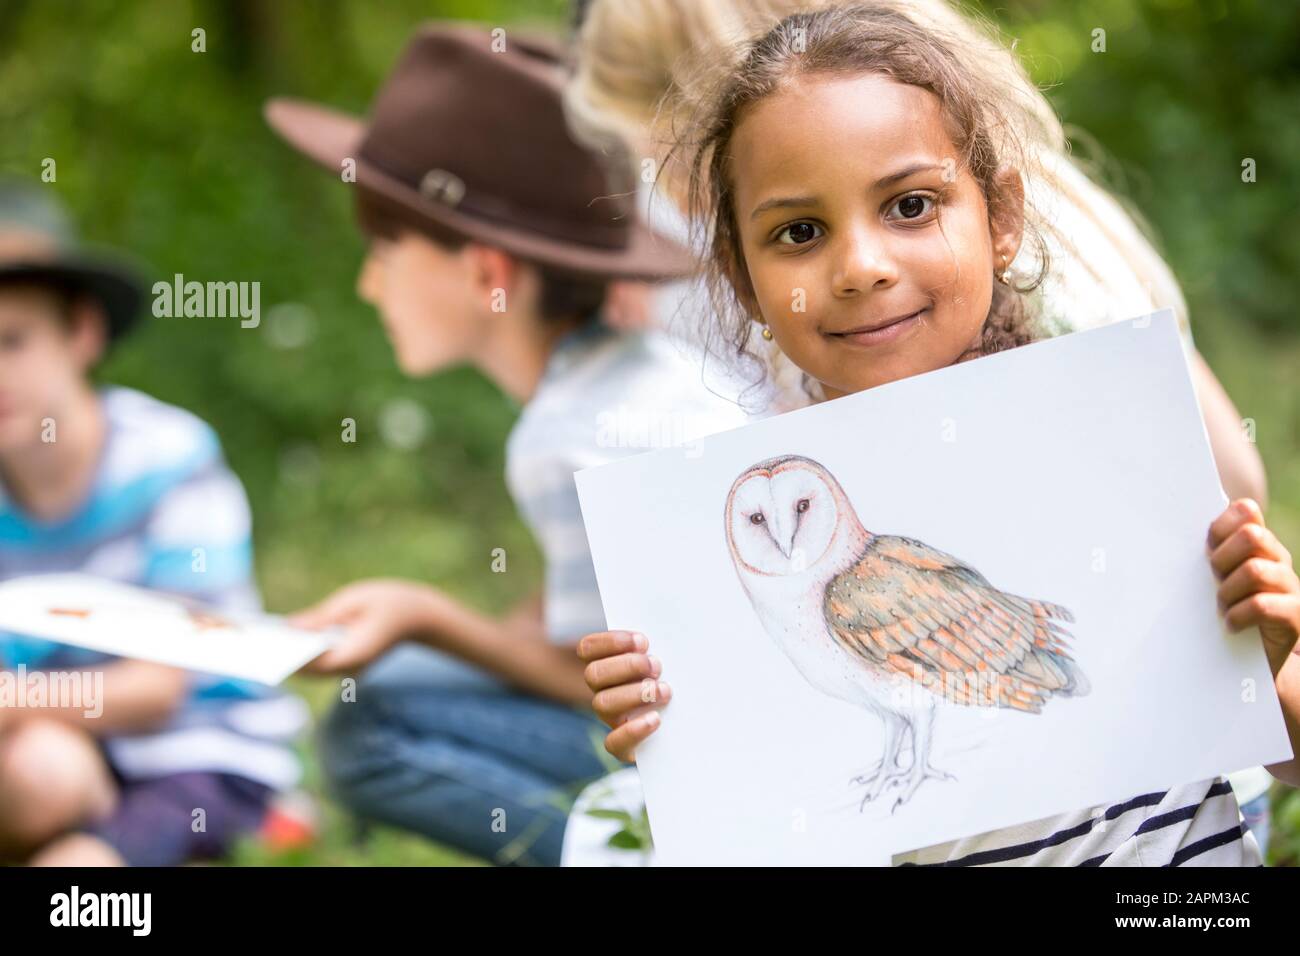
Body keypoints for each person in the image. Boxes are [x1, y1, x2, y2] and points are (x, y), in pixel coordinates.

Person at [574, 3, 1300, 866]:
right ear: (740, 276)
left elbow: (1274, 755)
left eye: (911, 205)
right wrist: (685, 743)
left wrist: (1266, 660)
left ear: (1000, 219)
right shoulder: (742, 503)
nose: (861, 266)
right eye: (799, 232)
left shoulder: (1115, 447)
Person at [264, 24, 750, 866]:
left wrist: (427, 616)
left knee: (362, 725)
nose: (367, 283)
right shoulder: (647, 371)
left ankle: (627, 852)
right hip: (744, 715)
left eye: (384, 250)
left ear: (487, 275)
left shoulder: (564, 436)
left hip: (726, 764)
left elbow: (600, 688)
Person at [0, 182, 305, 866]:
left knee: (76, 882)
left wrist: (12, 698)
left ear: (81, 331)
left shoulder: (167, 456)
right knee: (31, 772)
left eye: (13, 341)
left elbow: (159, 689)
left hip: (201, 749)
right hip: (67, 745)